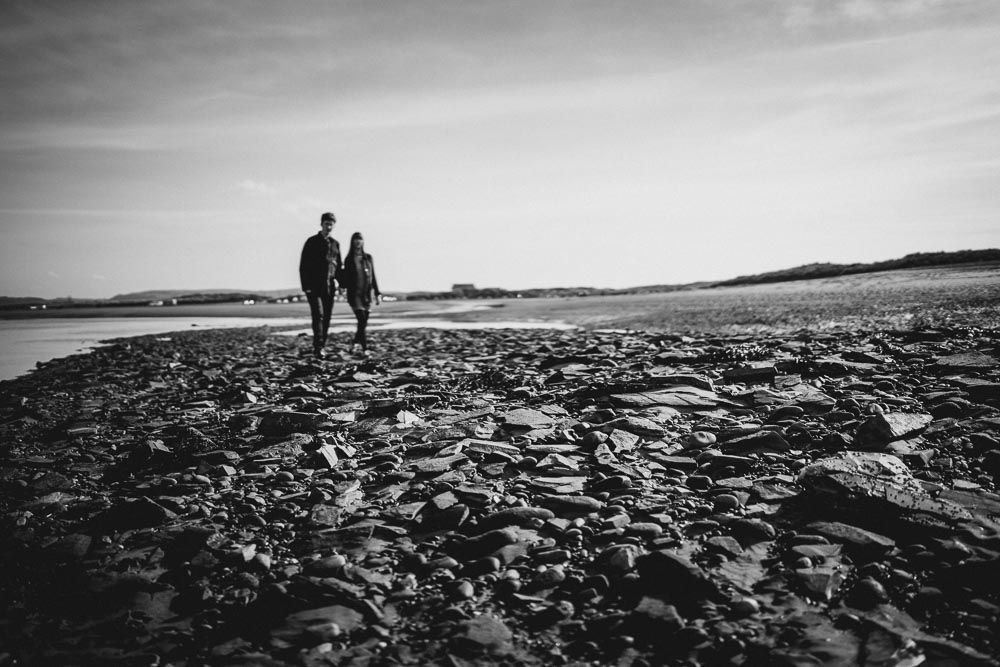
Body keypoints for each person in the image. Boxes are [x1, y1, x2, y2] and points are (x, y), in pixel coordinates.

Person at [299, 212, 342, 358]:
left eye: (331, 224)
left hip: (329, 287)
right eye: (326, 224)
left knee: (327, 317)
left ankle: (322, 344)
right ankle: (318, 347)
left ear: (334, 225)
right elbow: (303, 265)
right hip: (314, 286)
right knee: (318, 315)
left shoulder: (335, 244)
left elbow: (338, 268)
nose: (329, 226)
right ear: (321, 224)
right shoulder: (311, 242)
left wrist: (342, 285)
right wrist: (306, 286)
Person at [338, 232, 380, 354]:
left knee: (363, 322)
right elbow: (345, 276)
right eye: (356, 239)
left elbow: (373, 276)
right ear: (352, 242)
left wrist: (377, 293)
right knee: (361, 320)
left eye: (360, 239)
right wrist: (341, 285)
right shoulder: (349, 259)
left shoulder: (368, 258)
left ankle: (355, 343)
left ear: (363, 242)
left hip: (367, 295)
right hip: (354, 294)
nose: (358, 242)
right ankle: (365, 348)